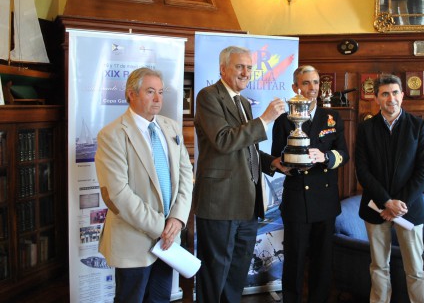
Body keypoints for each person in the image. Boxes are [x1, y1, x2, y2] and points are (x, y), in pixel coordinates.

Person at [193, 46, 287, 302]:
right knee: (215, 273)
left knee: (236, 274)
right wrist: (265, 119)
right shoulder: (208, 96)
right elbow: (223, 141)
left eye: (249, 67)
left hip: (248, 203)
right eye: (239, 67)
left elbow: (247, 148)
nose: (246, 72)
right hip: (220, 202)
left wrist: (273, 163)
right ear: (222, 69)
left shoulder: (243, 101)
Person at [95, 67, 193, 302]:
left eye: (160, 92)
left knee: (160, 299)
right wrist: (162, 228)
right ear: (131, 94)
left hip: (168, 242)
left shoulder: (170, 127)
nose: (158, 99)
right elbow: (118, 195)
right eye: (150, 92)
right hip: (134, 242)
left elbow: (186, 176)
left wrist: (177, 219)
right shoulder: (112, 135)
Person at [271, 65, 350, 302]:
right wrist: (289, 161)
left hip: (325, 200)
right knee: (294, 260)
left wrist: (324, 157)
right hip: (296, 198)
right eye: (306, 83)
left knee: (322, 261)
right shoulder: (285, 120)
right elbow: (277, 156)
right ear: (295, 87)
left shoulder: (332, 117)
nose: (312, 88)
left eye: (316, 83)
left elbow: (344, 154)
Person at [355, 74, 424, 303]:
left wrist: (398, 205)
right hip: (376, 208)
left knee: (416, 269)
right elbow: (362, 170)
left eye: (395, 92)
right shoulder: (366, 128)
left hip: (409, 210)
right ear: (377, 98)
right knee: (378, 266)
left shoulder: (418, 126)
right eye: (385, 94)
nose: (391, 98)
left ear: (403, 95)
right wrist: (387, 202)